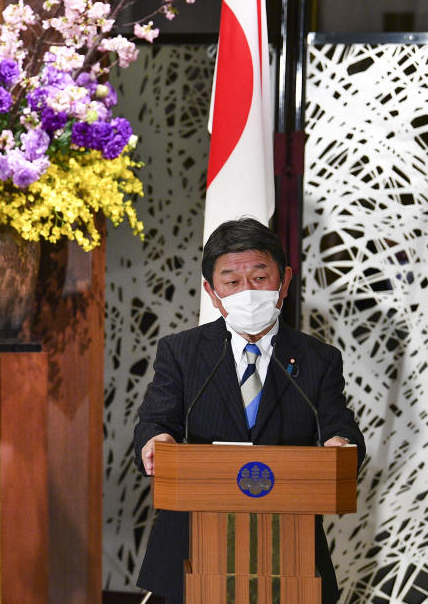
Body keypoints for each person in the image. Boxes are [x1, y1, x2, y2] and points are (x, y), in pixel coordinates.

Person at [132, 217, 365, 604]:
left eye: (259, 278)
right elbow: (156, 422)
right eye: (232, 282)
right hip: (192, 546)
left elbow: (339, 426)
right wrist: (157, 441)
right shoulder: (182, 352)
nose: (247, 292)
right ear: (211, 290)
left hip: (291, 552)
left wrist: (340, 444)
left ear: (284, 281)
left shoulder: (318, 359)